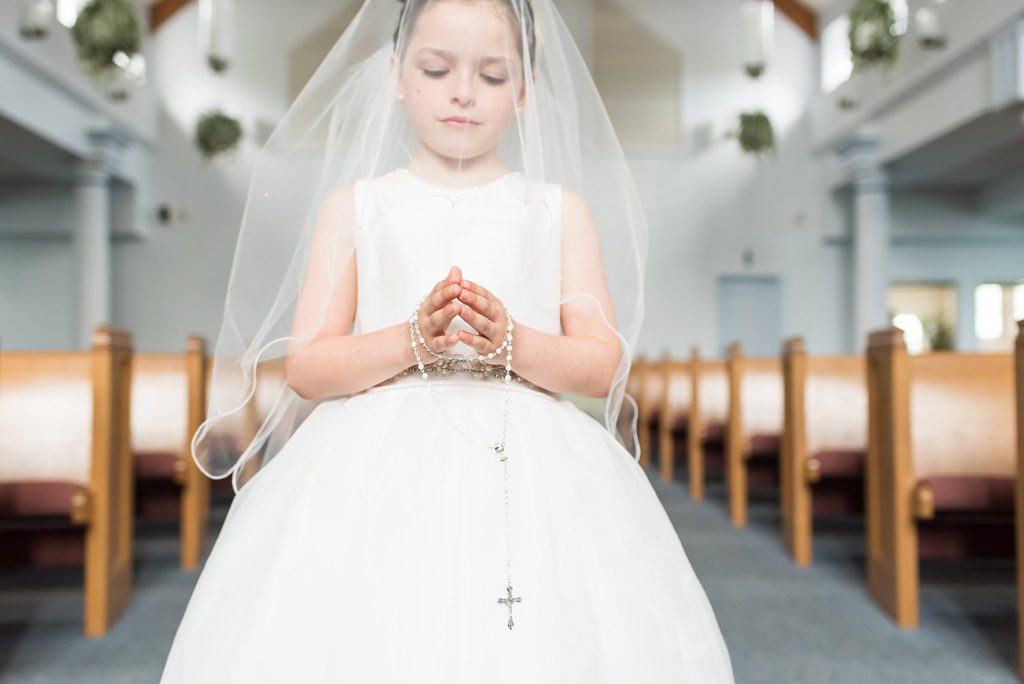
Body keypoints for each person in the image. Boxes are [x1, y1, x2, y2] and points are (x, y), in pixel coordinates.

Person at [160, 0, 735, 681]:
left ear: (525, 92)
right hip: (374, 450)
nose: (464, 91)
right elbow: (309, 365)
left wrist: (514, 342)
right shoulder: (355, 206)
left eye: (493, 76)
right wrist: (410, 341)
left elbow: (602, 362)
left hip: (531, 455)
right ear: (398, 75)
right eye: (437, 69)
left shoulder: (557, 211)